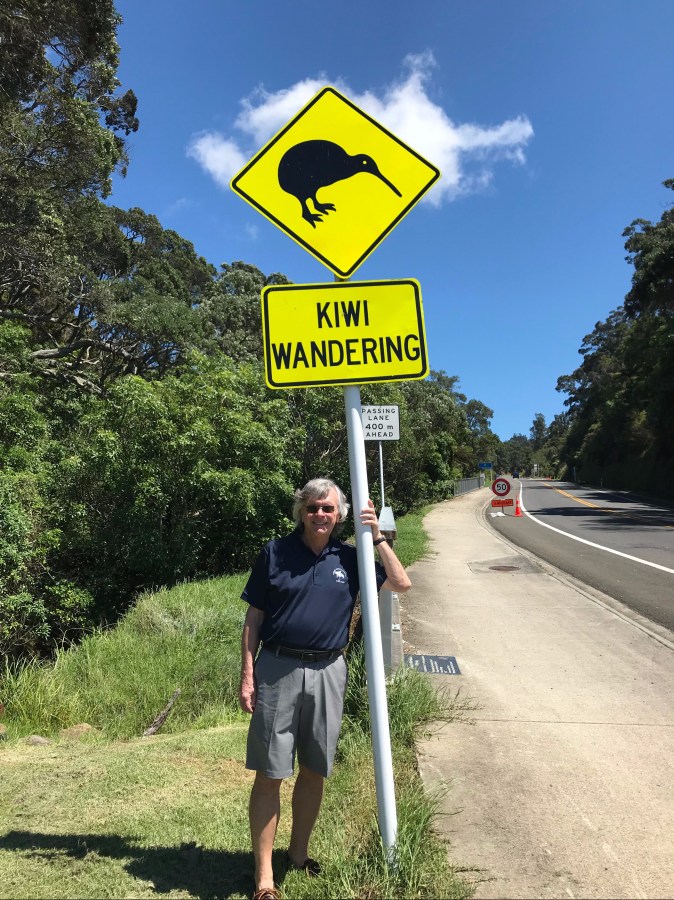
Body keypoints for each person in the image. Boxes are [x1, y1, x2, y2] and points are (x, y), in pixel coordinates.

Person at [239, 477, 411, 900]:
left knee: (315, 769)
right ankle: (264, 879)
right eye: (313, 507)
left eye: (328, 508)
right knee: (270, 772)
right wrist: (248, 674)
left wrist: (377, 537)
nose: (320, 514)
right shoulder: (275, 552)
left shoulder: (350, 557)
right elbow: (254, 618)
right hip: (277, 669)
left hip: (329, 670)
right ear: (302, 511)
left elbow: (401, 582)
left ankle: (298, 855)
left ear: (339, 516)